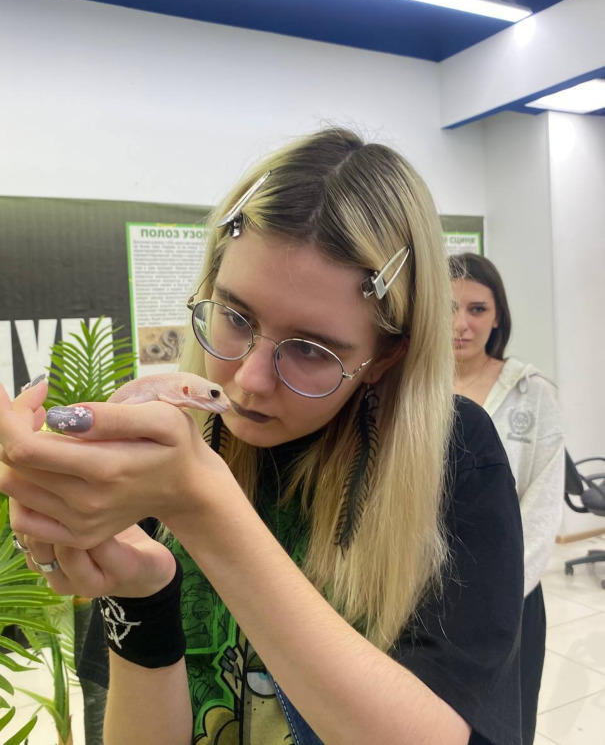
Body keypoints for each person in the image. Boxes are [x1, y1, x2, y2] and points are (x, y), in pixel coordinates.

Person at [2, 129, 524, 745]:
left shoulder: (454, 455)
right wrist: (142, 597)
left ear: (385, 356)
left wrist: (203, 510)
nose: (248, 381)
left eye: (312, 349)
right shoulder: (162, 449)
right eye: (234, 316)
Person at [449, 252, 565, 745]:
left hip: (508, 597)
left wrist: (499, 594)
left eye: (477, 309)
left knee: (501, 728)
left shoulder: (532, 393)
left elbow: (543, 504)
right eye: (448, 308)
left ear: (498, 317)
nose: (461, 324)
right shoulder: (411, 386)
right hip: (427, 591)